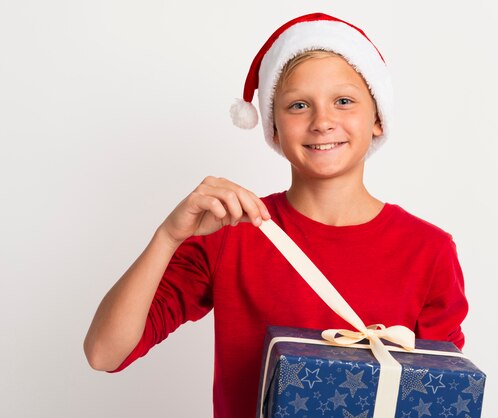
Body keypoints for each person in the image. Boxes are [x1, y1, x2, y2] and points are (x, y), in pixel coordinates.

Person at [83, 12, 468, 418]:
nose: (322, 122)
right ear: (273, 127)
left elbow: (440, 398)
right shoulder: (231, 234)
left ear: (376, 117)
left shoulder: (429, 250)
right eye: (298, 105)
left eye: (344, 101)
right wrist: (167, 237)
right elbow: (104, 352)